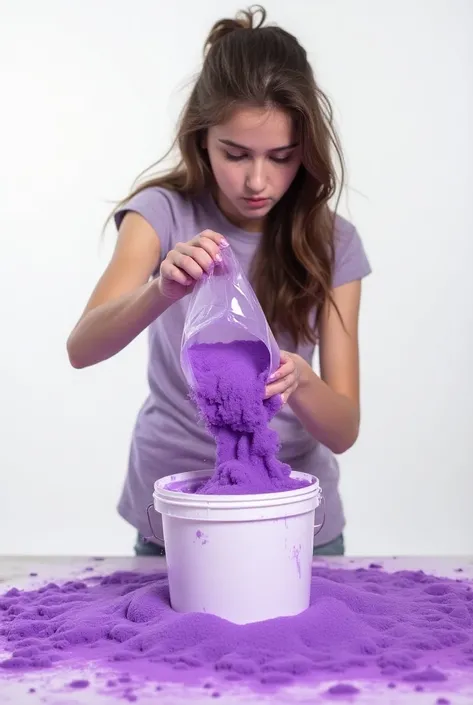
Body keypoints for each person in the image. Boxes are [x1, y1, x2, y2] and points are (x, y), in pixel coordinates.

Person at [67, 6, 371, 557]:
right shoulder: (161, 214)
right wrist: (160, 288)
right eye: (236, 154)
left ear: (307, 149)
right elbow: (82, 347)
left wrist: (299, 383)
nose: (258, 180)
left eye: (282, 157)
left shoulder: (333, 242)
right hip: (178, 517)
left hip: (292, 522)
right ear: (201, 139)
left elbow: (344, 429)